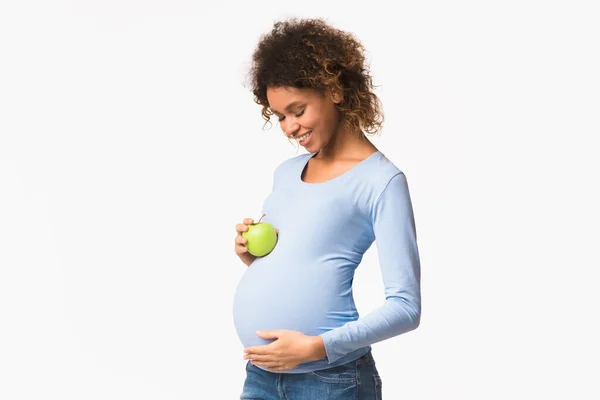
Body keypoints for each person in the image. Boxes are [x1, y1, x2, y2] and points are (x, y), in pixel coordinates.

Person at [232, 17, 421, 399]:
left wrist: (318, 347)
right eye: (280, 116)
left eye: (297, 111)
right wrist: (253, 257)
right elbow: (305, 263)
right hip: (262, 376)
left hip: (331, 381)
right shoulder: (286, 174)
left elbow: (406, 307)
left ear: (333, 90)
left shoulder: (381, 182)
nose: (288, 127)